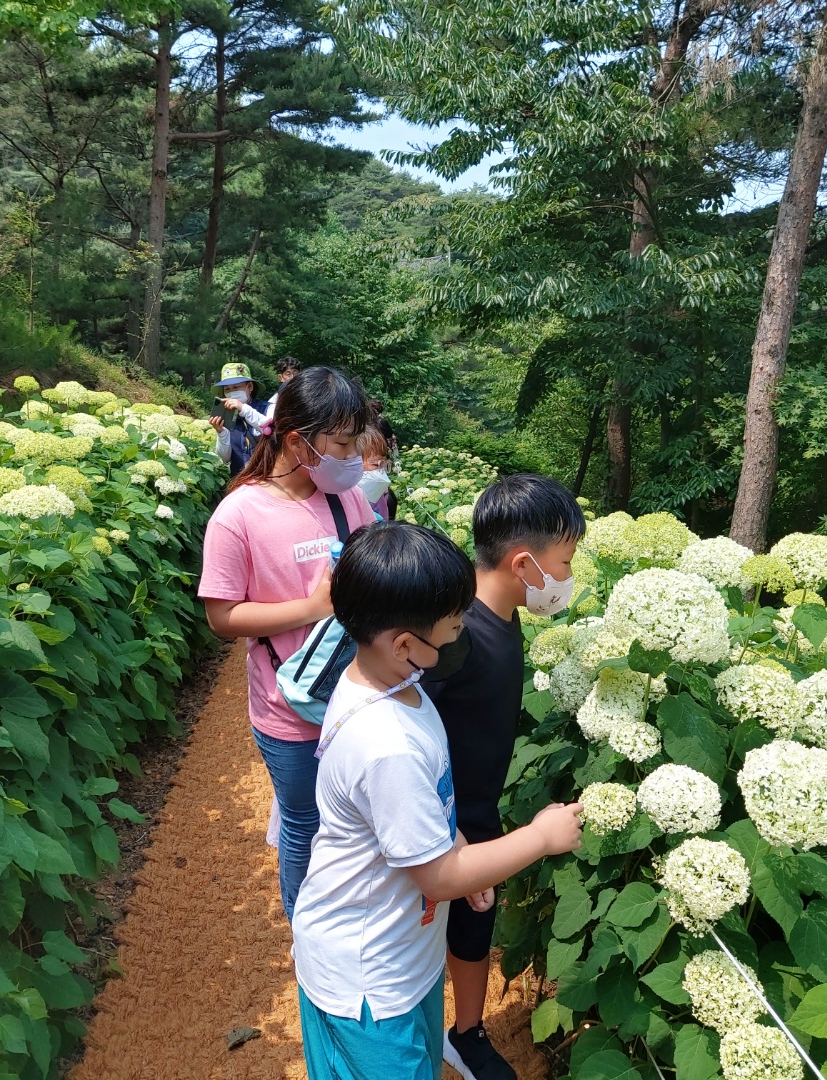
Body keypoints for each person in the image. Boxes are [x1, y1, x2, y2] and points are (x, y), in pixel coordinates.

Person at [292, 521, 583, 1080]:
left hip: (406, 959)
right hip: (367, 985)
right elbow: (440, 877)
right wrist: (540, 838)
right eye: (452, 628)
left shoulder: (395, 685)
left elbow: (426, 819)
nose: (459, 638)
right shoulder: (387, 746)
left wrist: (460, 846)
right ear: (405, 645)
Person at [422, 474, 586, 1080]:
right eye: (564, 562)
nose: (567, 578)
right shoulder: (456, 636)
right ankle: (412, 1031)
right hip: (439, 816)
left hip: (479, 805)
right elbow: (415, 730)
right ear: (524, 563)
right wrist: (451, 833)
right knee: (423, 923)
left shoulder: (504, 611)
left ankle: (465, 1032)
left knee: (474, 925)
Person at [198, 366, 374, 919]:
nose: (352, 459)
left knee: (356, 820)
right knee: (304, 822)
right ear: (297, 441)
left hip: (356, 698)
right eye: (342, 444)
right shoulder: (240, 514)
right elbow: (223, 617)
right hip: (288, 709)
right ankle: (308, 934)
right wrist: (313, 607)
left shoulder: (348, 502)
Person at [208, 362, 269, 477]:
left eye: (236, 387)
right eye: (227, 389)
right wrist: (221, 433)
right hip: (240, 483)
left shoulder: (268, 408)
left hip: (268, 481)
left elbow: (273, 431)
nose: (232, 392)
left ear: (250, 387)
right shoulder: (226, 417)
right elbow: (224, 458)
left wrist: (243, 409)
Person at [356, 427, 396, 521]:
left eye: (384, 464)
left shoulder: (382, 491)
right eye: (375, 464)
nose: (380, 471)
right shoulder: (346, 496)